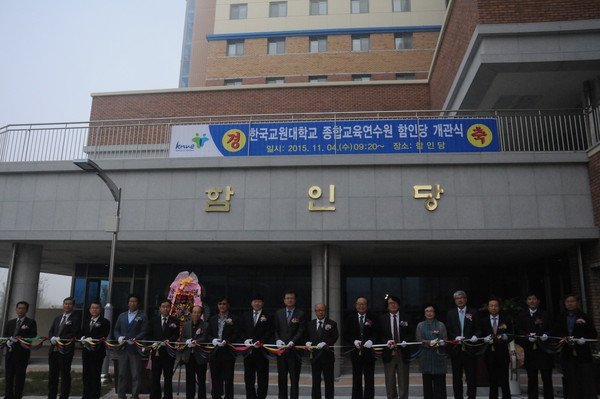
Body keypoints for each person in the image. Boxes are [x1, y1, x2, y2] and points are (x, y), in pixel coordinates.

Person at [552, 294, 597, 399]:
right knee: (570, 378)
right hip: (567, 352)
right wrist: (564, 338)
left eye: (572, 301)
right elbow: (556, 332)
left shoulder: (585, 317)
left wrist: (584, 340)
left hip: (583, 353)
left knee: (586, 377)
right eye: (567, 301)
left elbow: (593, 334)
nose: (570, 303)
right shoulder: (561, 317)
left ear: (577, 303)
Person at [514, 294, 554, 399]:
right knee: (532, 377)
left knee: (547, 377)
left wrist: (547, 335)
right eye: (529, 299)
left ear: (538, 301)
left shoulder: (545, 314)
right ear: (526, 302)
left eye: (534, 299)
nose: (532, 301)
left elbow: (553, 328)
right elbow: (518, 331)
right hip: (530, 351)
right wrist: (527, 337)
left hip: (544, 350)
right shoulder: (522, 315)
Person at [343, 296, 380, 399]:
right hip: (356, 353)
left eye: (363, 304)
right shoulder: (350, 318)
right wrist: (353, 341)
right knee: (356, 378)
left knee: (369, 379)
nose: (361, 306)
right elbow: (346, 334)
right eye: (359, 304)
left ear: (367, 306)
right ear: (356, 306)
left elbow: (378, 332)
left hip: (369, 353)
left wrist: (371, 340)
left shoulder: (373, 317)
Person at [445, 290, 479, 399]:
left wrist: (475, 336)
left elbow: (479, 329)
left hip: (470, 348)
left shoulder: (473, 312)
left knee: (471, 377)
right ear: (455, 301)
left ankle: (471, 397)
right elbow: (448, 329)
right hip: (456, 349)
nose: (459, 300)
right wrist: (455, 337)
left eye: (461, 297)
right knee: (457, 377)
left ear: (466, 299)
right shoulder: (450, 313)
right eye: (457, 298)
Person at [113, 293, 148, 399]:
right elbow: (116, 329)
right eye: (131, 301)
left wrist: (136, 339)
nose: (132, 303)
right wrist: (118, 337)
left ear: (138, 303)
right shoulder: (122, 316)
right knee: (121, 373)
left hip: (135, 349)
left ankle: (134, 395)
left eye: (135, 301)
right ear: (128, 303)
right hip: (123, 348)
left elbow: (144, 331)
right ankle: (121, 394)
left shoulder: (142, 316)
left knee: (135, 374)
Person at [273, 291, 307, 399]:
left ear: (295, 300)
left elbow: (301, 330)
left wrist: (293, 341)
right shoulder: (279, 313)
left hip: (294, 351)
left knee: (294, 379)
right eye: (287, 298)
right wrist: (277, 340)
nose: (289, 300)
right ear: (284, 300)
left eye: (292, 298)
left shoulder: (301, 313)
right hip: (281, 352)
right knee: (282, 378)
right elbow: (275, 329)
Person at [240, 294, 272, 399]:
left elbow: (269, 331)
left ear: (262, 303)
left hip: (262, 351)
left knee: (262, 377)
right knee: (249, 377)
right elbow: (242, 330)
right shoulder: (246, 315)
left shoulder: (268, 315)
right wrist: (245, 340)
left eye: (259, 301)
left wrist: (261, 341)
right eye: (254, 301)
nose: (256, 303)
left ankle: (261, 397)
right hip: (248, 352)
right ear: (251, 303)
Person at [48, 296, 81, 399]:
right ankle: (51, 396)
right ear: (63, 305)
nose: (67, 305)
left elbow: (74, 333)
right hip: (53, 351)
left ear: (73, 306)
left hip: (66, 351)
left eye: (70, 304)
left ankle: (64, 396)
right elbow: (51, 331)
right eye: (65, 303)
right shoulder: (57, 318)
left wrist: (60, 338)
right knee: (53, 375)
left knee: (65, 376)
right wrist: (52, 337)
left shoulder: (75, 319)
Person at [147, 299, 180, 399]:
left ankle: (167, 396)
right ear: (160, 308)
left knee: (168, 377)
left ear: (170, 308)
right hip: (156, 353)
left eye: (167, 306)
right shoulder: (153, 320)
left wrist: (168, 341)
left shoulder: (175, 321)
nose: (165, 309)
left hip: (169, 353)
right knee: (155, 377)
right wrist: (153, 343)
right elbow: (149, 334)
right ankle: (155, 396)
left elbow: (176, 335)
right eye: (163, 306)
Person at [479, 298, 512, 399]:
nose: (494, 308)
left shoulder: (506, 319)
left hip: (502, 353)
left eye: (496, 305)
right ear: (488, 307)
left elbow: (512, 334)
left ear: (499, 307)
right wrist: (484, 340)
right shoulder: (483, 321)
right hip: (489, 353)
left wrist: (507, 337)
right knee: (492, 379)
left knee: (504, 379)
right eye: (491, 306)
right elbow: (480, 335)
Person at [3, 301, 37, 399]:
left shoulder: (30, 322)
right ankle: (8, 396)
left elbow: (33, 335)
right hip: (10, 353)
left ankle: (18, 396)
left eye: (23, 308)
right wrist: (7, 342)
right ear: (16, 309)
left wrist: (19, 338)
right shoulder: (11, 322)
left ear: (26, 310)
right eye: (19, 308)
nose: (21, 310)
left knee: (19, 377)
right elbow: (5, 336)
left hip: (22, 354)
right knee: (9, 376)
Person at [379, 295, 410, 399]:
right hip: (389, 353)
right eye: (390, 303)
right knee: (390, 380)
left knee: (403, 380)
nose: (393, 305)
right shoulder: (382, 319)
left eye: (395, 303)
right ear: (387, 306)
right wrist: (386, 341)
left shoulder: (406, 318)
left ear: (399, 305)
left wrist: (406, 340)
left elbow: (411, 333)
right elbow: (379, 335)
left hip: (402, 352)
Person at [208, 296, 239, 399]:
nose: (222, 306)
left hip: (228, 352)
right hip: (215, 352)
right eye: (220, 304)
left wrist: (228, 340)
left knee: (228, 378)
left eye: (224, 304)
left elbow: (237, 334)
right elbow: (208, 334)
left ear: (228, 305)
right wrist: (213, 340)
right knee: (215, 377)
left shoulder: (234, 318)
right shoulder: (212, 319)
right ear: (217, 305)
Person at [305, 303, 339, 399]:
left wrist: (325, 343)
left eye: (322, 310)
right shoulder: (310, 324)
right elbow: (306, 336)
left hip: (327, 357)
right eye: (318, 310)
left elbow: (335, 337)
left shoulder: (332, 323)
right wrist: (307, 342)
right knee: (315, 381)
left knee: (329, 381)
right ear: (315, 312)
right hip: (315, 357)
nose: (320, 312)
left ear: (326, 311)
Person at [416, 304, 448, 399]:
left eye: (431, 311)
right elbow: (418, 340)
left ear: (435, 313)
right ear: (424, 313)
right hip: (425, 358)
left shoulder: (441, 325)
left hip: (439, 357)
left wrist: (441, 342)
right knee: (427, 385)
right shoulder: (420, 325)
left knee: (440, 386)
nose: (429, 313)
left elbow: (445, 340)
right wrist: (430, 343)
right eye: (427, 311)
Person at [81, 301, 111, 399]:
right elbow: (81, 333)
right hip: (86, 352)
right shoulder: (86, 321)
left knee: (95, 375)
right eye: (92, 308)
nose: (94, 310)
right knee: (86, 376)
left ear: (100, 310)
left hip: (97, 353)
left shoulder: (105, 322)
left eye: (97, 308)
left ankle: (95, 396)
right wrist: (82, 338)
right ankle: (86, 395)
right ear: (89, 310)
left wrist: (92, 339)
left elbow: (103, 335)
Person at [180, 305, 209, 399]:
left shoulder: (205, 325)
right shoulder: (186, 324)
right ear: (191, 313)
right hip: (189, 356)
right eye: (194, 312)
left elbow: (205, 337)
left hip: (200, 356)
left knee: (201, 380)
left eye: (198, 312)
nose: (196, 314)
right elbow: (182, 338)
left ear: (201, 314)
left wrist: (197, 342)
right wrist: (186, 341)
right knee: (189, 380)